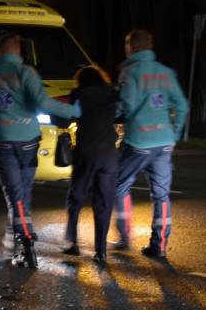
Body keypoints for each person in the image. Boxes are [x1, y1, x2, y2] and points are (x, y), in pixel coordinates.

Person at [0, 33, 81, 268]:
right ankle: (19, 238)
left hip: (3, 141)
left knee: (14, 193)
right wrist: (75, 111)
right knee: (23, 191)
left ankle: (24, 237)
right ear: (19, 52)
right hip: (28, 141)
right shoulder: (26, 73)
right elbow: (44, 103)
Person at [113, 29, 189, 259]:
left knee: (119, 185)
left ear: (131, 47)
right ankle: (160, 244)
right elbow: (182, 106)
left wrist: (110, 113)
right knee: (161, 195)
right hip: (164, 141)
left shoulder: (130, 72)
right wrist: (174, 135)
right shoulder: (166, 73)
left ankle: (125, 237)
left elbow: (127, 105)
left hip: (138, 141)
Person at [63, 65, 119, 267]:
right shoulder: (112, 93)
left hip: (86, 152)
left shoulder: (79, 94)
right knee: (104, 202)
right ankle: (100, 251)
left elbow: (69, 116)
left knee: (76, 197)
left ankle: (72, 242)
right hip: (109, 154)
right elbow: (120, 114)